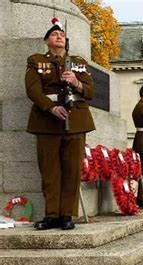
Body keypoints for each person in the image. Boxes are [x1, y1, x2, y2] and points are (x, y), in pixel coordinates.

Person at [26, 18, 95, 230]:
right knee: (50, 171)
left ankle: (67, 214)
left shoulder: (78, 63)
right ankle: (52, 214)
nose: (59, 37)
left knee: (72, 170)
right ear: (47, 40)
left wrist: (76, 82)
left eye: (62, 35)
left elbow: (91, 91)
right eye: (55, 34)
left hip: (75, 120)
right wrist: (51, 107)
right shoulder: (36, 61)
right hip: (47, 121)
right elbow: (33, 90)